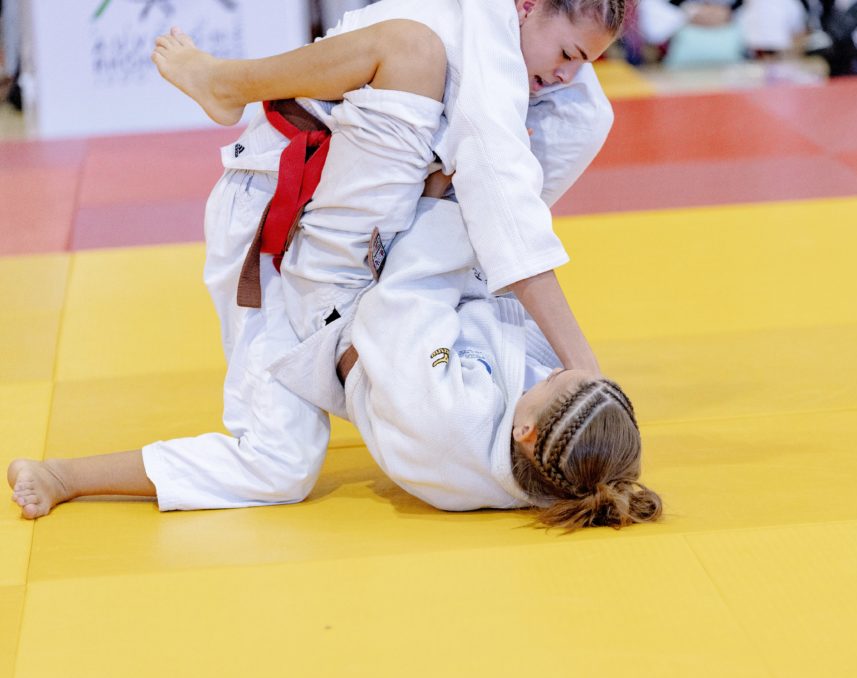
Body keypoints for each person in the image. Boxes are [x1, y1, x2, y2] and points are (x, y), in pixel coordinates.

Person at [8, 194, 662, 531]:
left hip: (304, 295)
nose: (558, 369)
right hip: (382, 293)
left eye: (559, 381)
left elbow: (397, 306)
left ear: (525, 430)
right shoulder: (559, 463)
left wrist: (451, 204)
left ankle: (66, 475)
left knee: (279, 468)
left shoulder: (450, 421)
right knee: (570, 132)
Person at [152, 0, 630, 376]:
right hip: (279, 207)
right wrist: (583, 364)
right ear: (526, 6)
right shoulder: (480, 59)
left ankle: (455, 278)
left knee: (586, 113)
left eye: (584, 62)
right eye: (568, 54)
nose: (567, 74)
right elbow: (510, 216)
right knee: (278, 458)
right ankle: (227, 82)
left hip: (376, 219)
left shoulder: (520, 57)